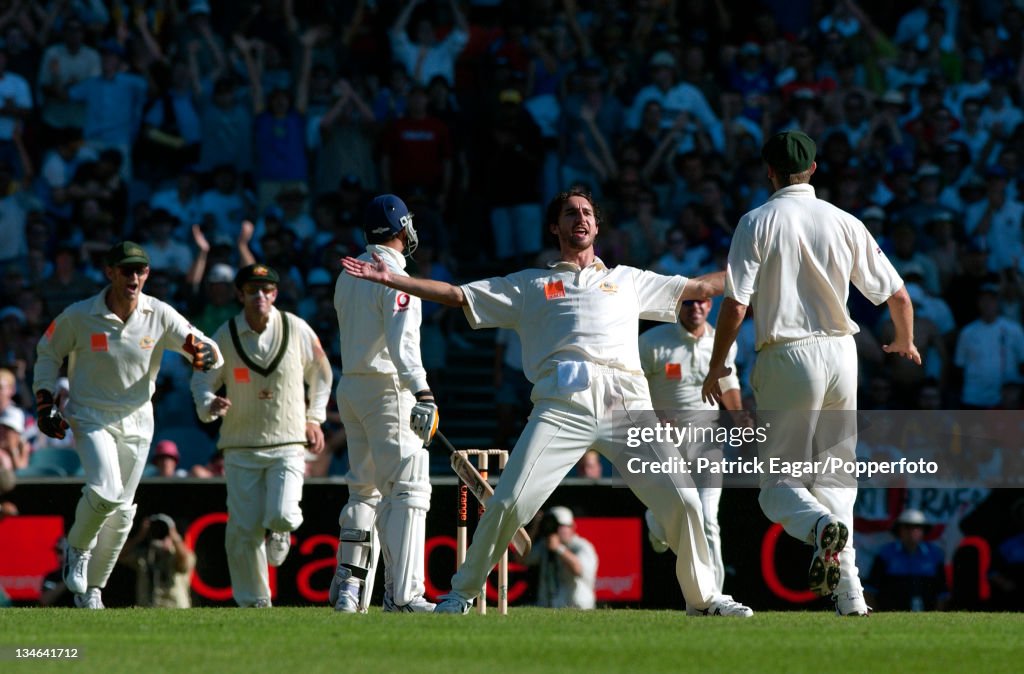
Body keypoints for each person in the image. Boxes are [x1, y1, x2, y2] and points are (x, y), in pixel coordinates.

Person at [341, 188, 753, 617]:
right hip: (563, 406)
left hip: (626, 405)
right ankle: (461, 594)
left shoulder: (631, 280)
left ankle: (704, 599)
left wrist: (756, 269)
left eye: (588, 212)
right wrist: (395, 280)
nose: (581, 218)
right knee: (510, 503)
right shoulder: (531, 285)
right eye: (571, 213)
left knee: (684, 500)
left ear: (596, 225)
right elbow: (456, 294)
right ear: (555, 227)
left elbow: (704, 285)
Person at [700, 131, 920, 617]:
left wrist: (717, 366)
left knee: (778, 487)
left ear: (769, 171)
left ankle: (820, 529)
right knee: (838, 479)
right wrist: (904, 339)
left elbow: (736, 304)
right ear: (814, 169)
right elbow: (899, 296)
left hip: (787, 354)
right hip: (843, 355)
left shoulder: (756, 221)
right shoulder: (844, 221)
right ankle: (852, 597)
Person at [33, 241, 221, 609]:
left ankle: (93, 592)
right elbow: (47, 352)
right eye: (126, 270)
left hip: (138, 420)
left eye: (140, 271)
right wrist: (44, 400)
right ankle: (77, 547)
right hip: (90, 415)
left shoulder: (159, 314)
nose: (133, 277)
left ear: (147, 274)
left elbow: (203, 346)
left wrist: (206, 353)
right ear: (110, 272)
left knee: (122, 513)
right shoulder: (80, 314)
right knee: (104, 491)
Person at [191, 263, 332, 608]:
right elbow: (201, 380)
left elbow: (323, 373)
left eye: (266, 290)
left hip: (288, 442)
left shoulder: (296, 328)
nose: (260, 296)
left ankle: (282, 528)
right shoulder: (223, 335)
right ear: (239, 294)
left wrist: (314, 418)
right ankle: (254, 602)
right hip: (240, 444)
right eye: (252, 290)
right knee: (243, 530)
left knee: (282, 513)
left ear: (275, 294)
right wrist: (209, 403)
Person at [330, 194, 438, 613]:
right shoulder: (390, 274)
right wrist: (423, 389)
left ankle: (350, 591)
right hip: (387, 388)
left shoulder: (348, 274)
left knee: (364, 490)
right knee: (408, 488)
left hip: (353, 386)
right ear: (400, 228)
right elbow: (401, 341)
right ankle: (405, 596)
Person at [639, 297, 747, 594]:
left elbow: (728, 381)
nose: (695, 308)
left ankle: (714, 597)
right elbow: (632, 389)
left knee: (708, 518)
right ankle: (656, 520)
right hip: (664, 444)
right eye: (688, 303)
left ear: (710, 306)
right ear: (677, 306)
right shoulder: (651, 342)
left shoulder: (723, 340)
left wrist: (740, 417)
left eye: (701, 302)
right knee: (672, 517)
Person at [864, 509, 948, 611]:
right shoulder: (885, 554)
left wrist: (937, 616)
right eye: (907, 527)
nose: (912, 531)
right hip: (891, 614)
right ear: (899, 530)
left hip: (927, 614)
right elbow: (871, 589)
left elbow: (942, 593)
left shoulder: (935, 554)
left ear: (923, 530)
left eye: (917, 527)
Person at [524, 506, 598, 609]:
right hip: (549, 606)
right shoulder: (545, 545)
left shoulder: (582, 546)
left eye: (558, 526)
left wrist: (559, 548)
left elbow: (579, 569)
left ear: (572, 527)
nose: (555, 530)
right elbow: (522, 559)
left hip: (578, 606)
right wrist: (535, 528)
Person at [117, 513, 196, 608]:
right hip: (148, 608)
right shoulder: (144, 555)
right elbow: (117, 555)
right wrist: (139, 537)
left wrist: (174, 538)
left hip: (176, 606)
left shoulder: (179, 554)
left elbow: (185, 564)